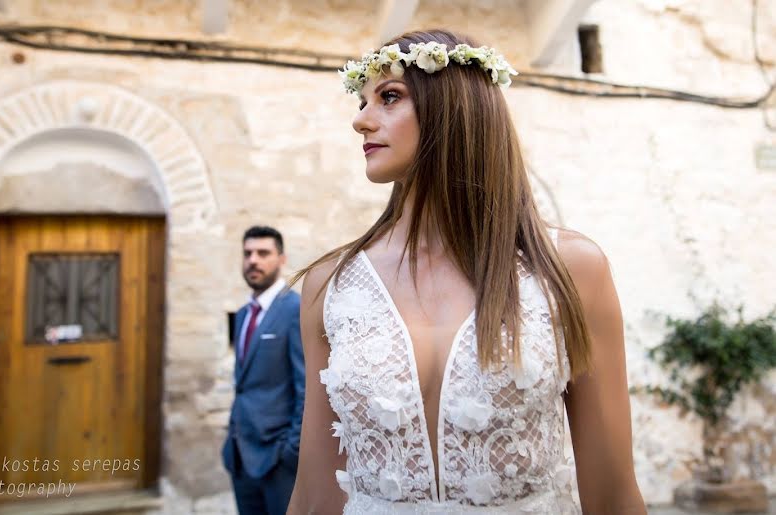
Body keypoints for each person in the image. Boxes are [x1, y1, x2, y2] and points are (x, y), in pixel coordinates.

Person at [286, 29, 646, 514]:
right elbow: (315, 494)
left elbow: (613, 495)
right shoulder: (331, 285)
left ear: (453, 108)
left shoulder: (572, 269)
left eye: (388, 97)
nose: (360, 120)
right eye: (363, 101)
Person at [222, 226, 305, 515]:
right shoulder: (243, 313)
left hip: (276, 460)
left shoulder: (295, 309)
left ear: (281, 259)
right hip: (240, 457)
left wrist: (290, 452)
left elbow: (305, 387)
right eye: (247, 253)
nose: (253, 260)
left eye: (263, 253)